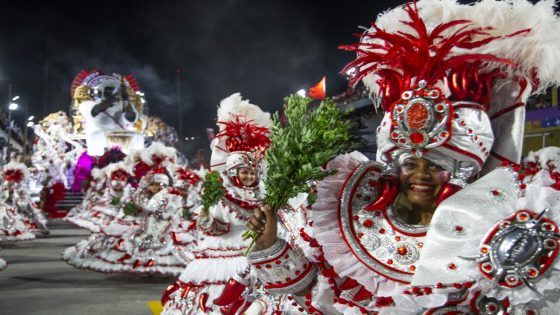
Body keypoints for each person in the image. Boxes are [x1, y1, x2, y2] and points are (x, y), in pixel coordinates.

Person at [241, 0, 560, 314]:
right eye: (410, 163)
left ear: (461, 170)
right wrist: (270, 246)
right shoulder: (357, 220)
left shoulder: (495, 232)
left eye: (436, 164)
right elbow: (323, 299)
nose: (419, 173)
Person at [161, 93, 272, 315]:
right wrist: (207, 220)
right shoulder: (221, 193)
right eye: (244, 172)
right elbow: (210, 224)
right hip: (225, 245)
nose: (249, 177)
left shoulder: (264, 192)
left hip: (260, 246)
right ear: (233, 173)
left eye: (252, 172)